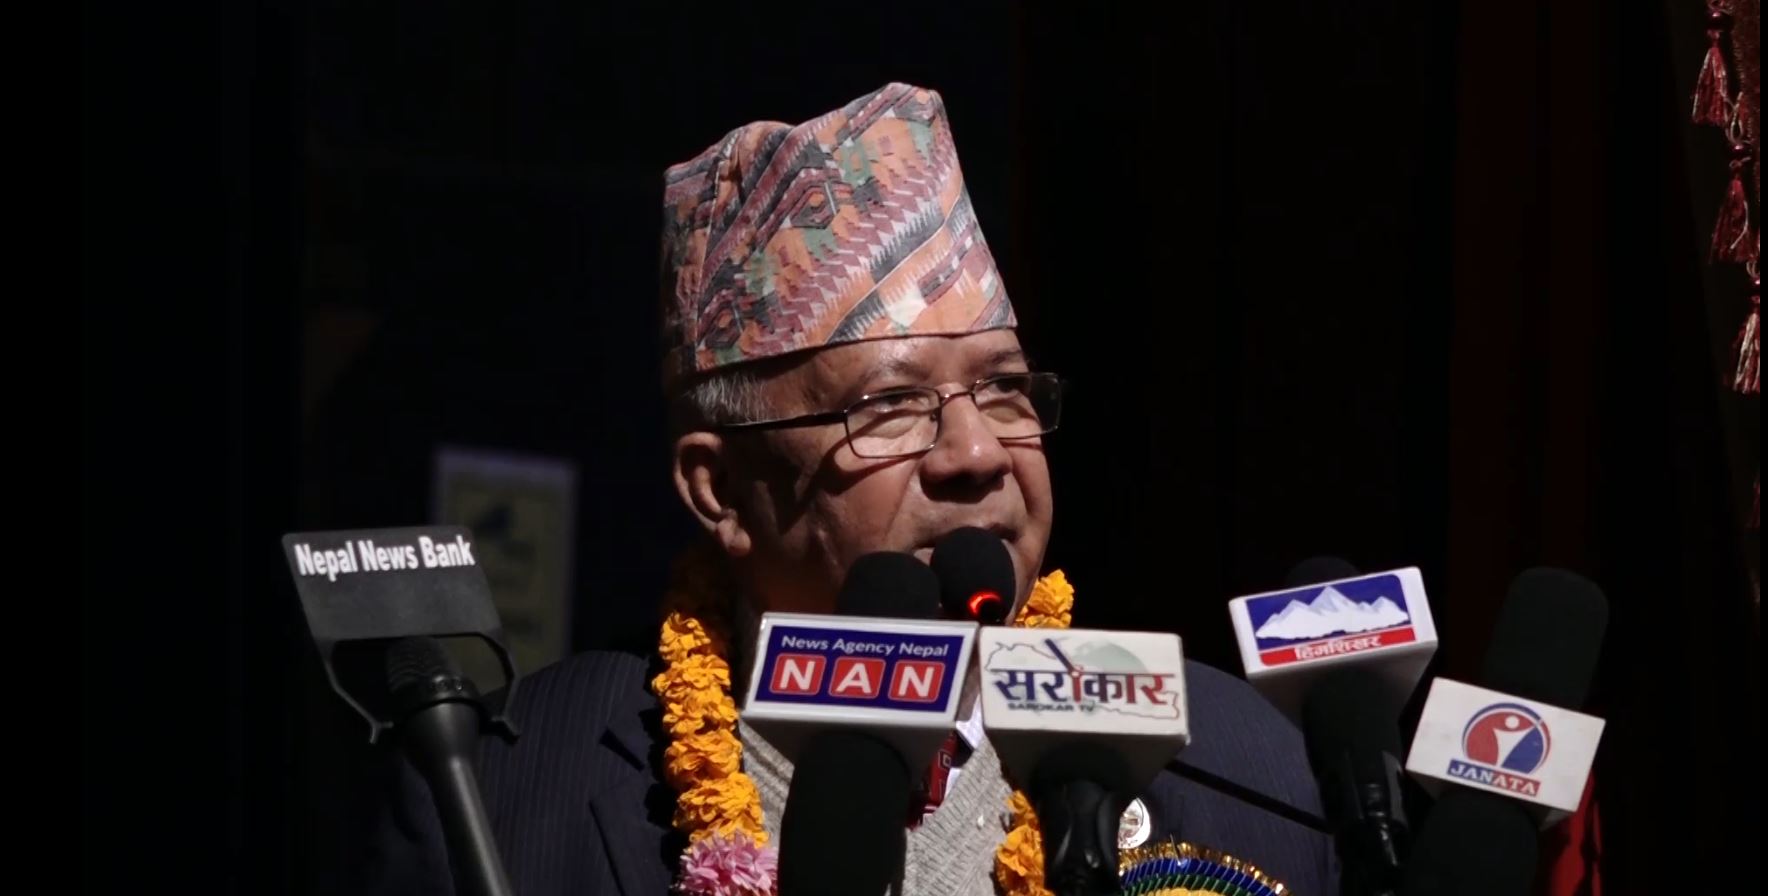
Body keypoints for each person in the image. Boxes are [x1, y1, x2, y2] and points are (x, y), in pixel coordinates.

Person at [355, 82, 1337, 896]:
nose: (975, 453)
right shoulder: (506, 791)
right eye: (891, 406)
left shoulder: (1248, 768)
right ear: (720, 490)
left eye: (1004, 390)